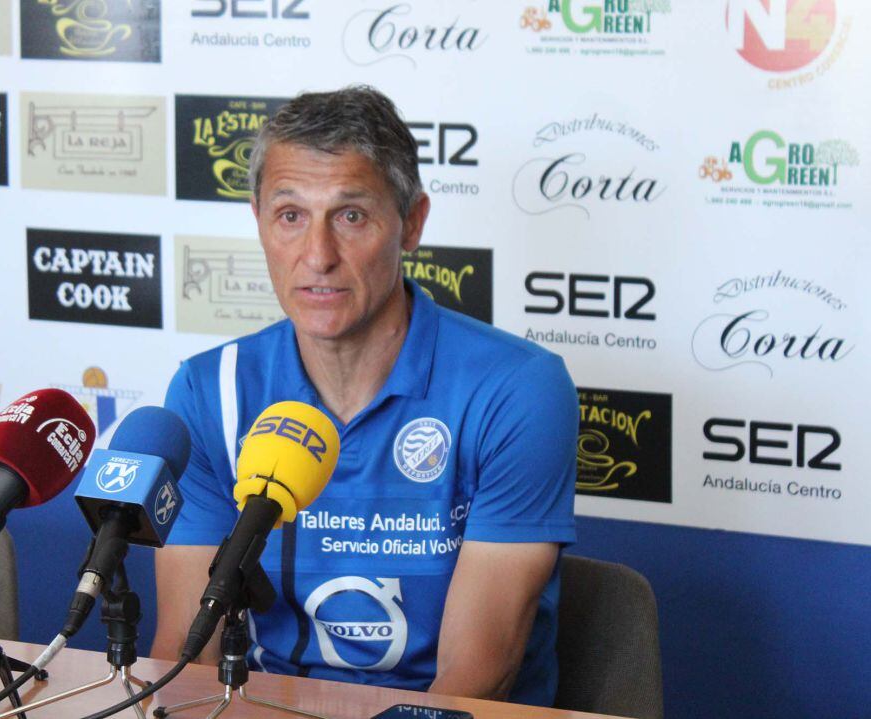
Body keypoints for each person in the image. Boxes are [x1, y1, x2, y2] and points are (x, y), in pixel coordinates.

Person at [151, 85, 577, 706]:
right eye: (291, 216)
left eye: (351, 216)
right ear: (260, 222)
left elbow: (478, 674)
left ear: (411, 224)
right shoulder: (208, 389)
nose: (317, 256)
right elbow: (187, 653)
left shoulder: (517, 390)